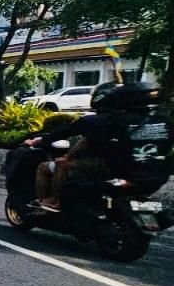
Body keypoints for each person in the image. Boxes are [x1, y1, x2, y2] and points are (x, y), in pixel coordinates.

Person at [36, 82, 164, 211]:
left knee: (58, 164)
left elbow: (84, 142)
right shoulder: (161, 121)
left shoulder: (113, 120)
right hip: (156, 174)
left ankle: (53, 201)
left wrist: (67, 157)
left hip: (115, 167)